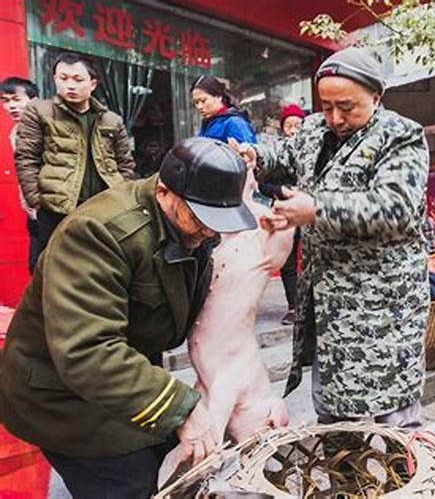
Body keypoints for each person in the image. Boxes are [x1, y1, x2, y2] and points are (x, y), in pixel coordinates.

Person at [0, 137, 257, 497]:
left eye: (218, 221)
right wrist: (181, 409)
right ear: (165, 192)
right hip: (61, 393)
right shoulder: (99, 233)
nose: (210, 231)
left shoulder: (189, 225)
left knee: (178, 468)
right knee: (129, 484)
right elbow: (87, 351)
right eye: (201, 219)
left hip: (119, 378)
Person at [234, 47, 429, 428]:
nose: (336, 118)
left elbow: (396, 207)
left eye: (347, 107)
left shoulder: (400, 136)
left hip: (383, 307)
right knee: (334, 405)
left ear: (376, 96)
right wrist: (253, 156)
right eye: (326, 107)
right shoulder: (312, 129)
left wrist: (317, 209)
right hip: (328, 302)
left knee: (394, 410)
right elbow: (286, 157)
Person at [14, 52, 136, 269]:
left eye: (78, 80)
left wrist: (121, 194)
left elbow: (125, 163)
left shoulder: (111, 120)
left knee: (99, 269)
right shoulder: (39, 111)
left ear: (93, 83)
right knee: (53, 269)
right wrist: (36, 200)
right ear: (55, 79)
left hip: (103, 208)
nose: (70, 85)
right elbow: (26, 157)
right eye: (63, 78)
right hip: (56, 208)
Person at [1, 77, 39, 273]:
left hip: (51, 210)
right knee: (37, 268)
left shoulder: (47, 128)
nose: (10, 106)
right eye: (5, 101)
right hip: (33, 213)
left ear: (33, 99)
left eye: (16, 99)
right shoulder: (15, 132)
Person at [275, 104, 306, 325]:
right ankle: (293, 306)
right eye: (289, 125)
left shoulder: (313, 150)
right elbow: (263, 184)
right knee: (287, 260)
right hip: (285, 211)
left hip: (308, 211)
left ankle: (310, 306)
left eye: (298, 124)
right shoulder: (276, 152)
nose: (293, 129)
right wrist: (283, 191)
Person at [192, 75, 257, 145]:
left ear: (219, 96)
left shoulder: (234, 123)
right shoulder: (207, 124)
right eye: (196, 102)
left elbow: (247, 153)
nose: (199, 106)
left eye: (203, 100)